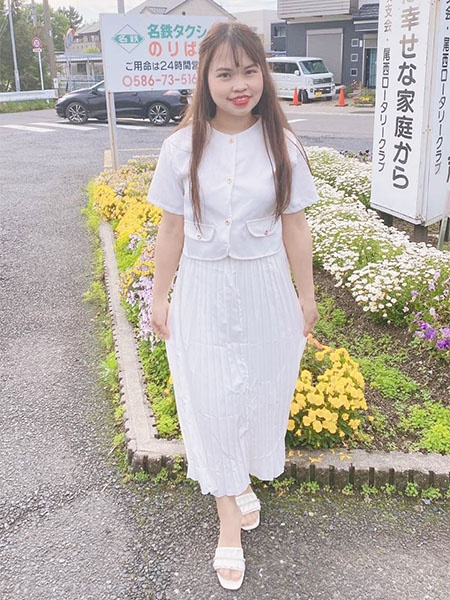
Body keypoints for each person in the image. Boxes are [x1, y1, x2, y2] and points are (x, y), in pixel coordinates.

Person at [147, 21, 320, 591]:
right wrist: (160, 295)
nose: (239, 84)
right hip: (202, 288)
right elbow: (171, 229)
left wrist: (307, 296)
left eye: (249, 71)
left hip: (264, 287)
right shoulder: (180, 147)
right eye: (225, 73)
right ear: (205, 79)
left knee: (259, 391)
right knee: (212, 398)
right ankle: (228, 523)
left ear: (264, 75)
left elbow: (295, 227)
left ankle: (240, 479)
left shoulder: (282, 145)